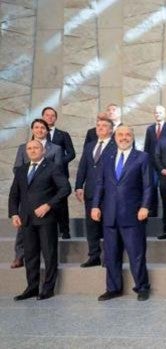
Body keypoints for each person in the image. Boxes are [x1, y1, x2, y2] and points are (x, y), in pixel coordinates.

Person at [91, 125, 152, 301]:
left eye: (127, 134)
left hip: (133, 214)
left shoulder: (142, 157)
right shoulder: (107, 157)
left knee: (136, 254)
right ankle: (113, 288)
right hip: (109, 214)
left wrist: (145, 207)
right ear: (115, 137)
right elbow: (100, 184)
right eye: (120, 134)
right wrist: (95, 206)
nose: (123, 137)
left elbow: (148, 186)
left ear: (133, 137)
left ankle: (142, 287)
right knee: (111, 255)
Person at [9, 140, 71, 301]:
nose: (32, 150)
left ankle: (48, 289)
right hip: (27, 220)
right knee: (30, 255)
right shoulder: (21, 170)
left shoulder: (52, 167)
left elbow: (65, 188)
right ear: (26, 152)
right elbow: (14, 194)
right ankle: (32, 287)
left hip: (46, 219)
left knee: (49, 254)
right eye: (29, 148)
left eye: (36, 147)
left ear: (43, 150)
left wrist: (48, 205)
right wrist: (14, 214)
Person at [11, 119, 63, 269]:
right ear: (32, 130)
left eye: (42, 127)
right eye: (36, 127)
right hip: (26, 193)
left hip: (46, 195)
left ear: (47, 130)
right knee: (23, 228)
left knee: (47, 244)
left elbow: (57, 172)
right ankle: (19, 256)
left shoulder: (55, 148)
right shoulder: (23, 147)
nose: (39, 130)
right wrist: (26, 182)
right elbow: (17, 168)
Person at [75, 118, 117, 267]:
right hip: (91, 191)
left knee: (108, 225)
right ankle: (94, 256)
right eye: (98, 126)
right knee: (91, 225)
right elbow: (82, 167)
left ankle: (109, 257)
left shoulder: (116, 146)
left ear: (111, 130)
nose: (100, 128)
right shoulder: (90, 146)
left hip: (109, 192)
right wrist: (79, 186)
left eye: (104, 126)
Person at [42, 106, 75, 240]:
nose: (50, 117)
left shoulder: (63, 134)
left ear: (56, 118)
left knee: (61, 202)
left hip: (59, 174)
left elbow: (71, 153)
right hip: (42, 175)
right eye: (47, 115)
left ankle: (65, 230)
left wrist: (59, 163)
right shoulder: (37, 133)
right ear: (43, 117)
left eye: (52, 115)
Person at [143, 105, 166, 217]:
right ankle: (153, 211)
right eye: (156, 113)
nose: (157, 114)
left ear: (164, 114)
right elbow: (146, 147)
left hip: (164, 165)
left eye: (160, 112)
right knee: (152, 187)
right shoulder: (150, 129)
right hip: (152, 165)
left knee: (165, 189)